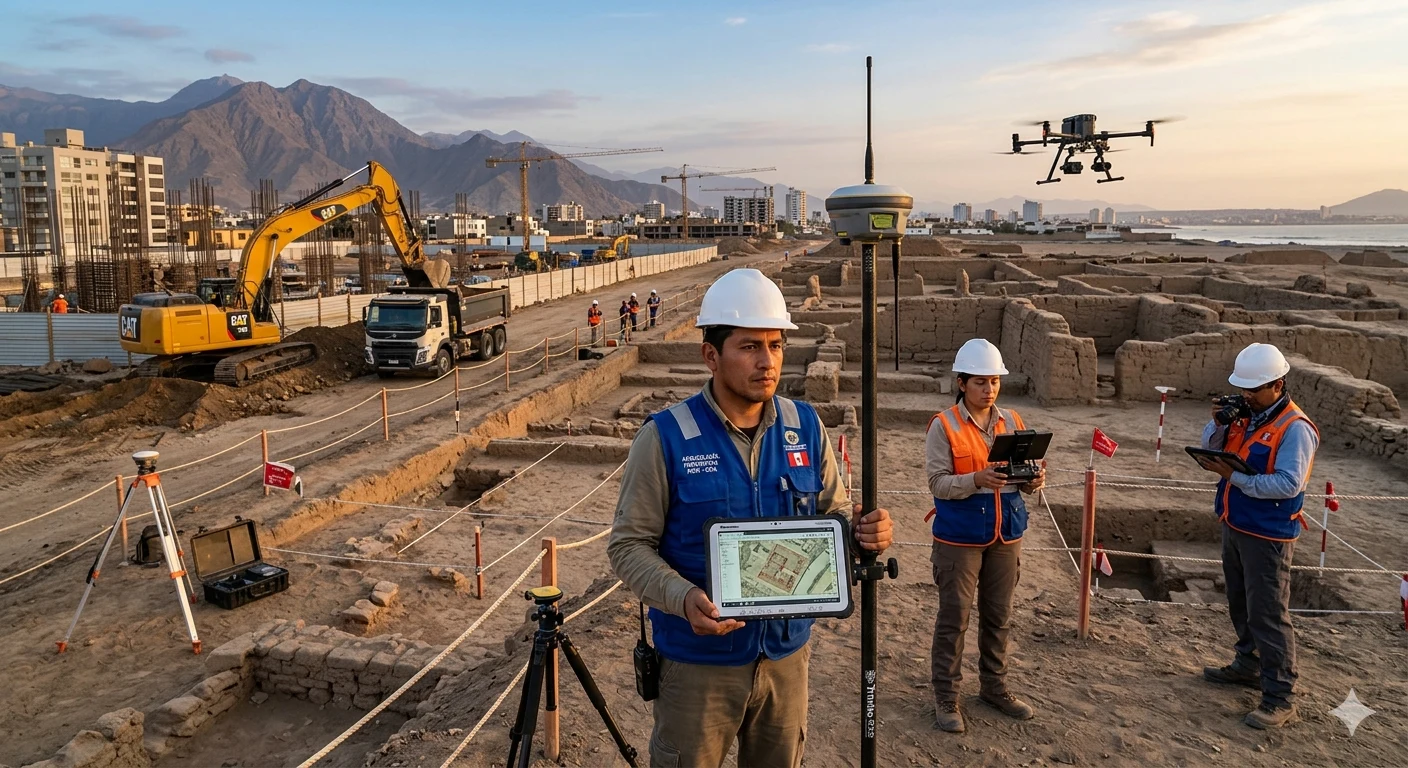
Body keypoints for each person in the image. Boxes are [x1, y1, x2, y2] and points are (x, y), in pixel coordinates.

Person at [608, 268, 893, 767]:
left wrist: (862, 534)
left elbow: (834, 514)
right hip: (698, 667)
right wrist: (683, 598)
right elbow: (628, 546)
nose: (768, 362)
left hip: (785, 658)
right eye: (750, 347)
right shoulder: (666, 438)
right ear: (711, 354)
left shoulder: (805, 426)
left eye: (777, 345)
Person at [1195, 343, 1319, 730]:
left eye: (1253, 390)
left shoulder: (1295, 428)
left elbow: (1287, 483)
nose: (1246, 396)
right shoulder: (1247, 416)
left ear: (1278, 384)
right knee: (1239, 601)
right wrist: (1218, 423)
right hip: (1236, 524)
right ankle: (1247, 664)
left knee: (1268, 613)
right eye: (1243, 389)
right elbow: (1212, 449)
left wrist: (1237, 478)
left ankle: (1280, 695)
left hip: (1267, 535)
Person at [925, 338, 1045, 733]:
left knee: (999, 617)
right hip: (959, 538)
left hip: (1006, 534)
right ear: (962, 383)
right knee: (954, 618)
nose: (989, 389)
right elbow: (938, 483)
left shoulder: (1012, 421)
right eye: (980, 382)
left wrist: (1033, 480)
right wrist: (976, 479)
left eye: (994, 381)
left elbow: (1022, 475)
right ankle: (947, 696)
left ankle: (994, 687)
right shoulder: (944, 426)